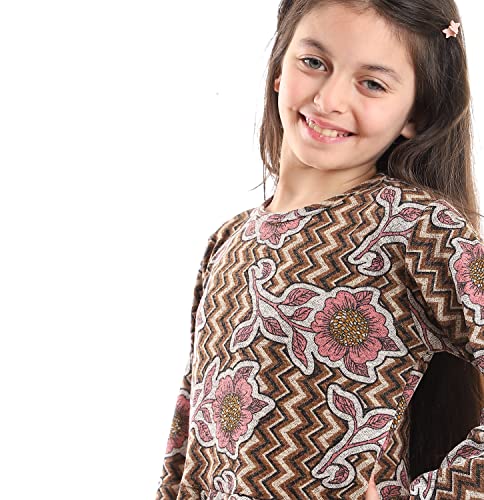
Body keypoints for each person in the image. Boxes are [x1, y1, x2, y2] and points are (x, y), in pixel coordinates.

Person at [155, 0, 484, 498]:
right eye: (314, 62)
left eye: (371, 83)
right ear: (279, 68)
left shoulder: (416, 227)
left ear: (416, 114)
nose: (329, 99)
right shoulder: (227, 240)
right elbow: (189, 436)